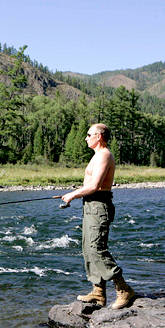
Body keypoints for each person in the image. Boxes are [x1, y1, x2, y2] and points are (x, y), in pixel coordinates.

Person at [61, 123, 134, 309]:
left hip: (99, 205)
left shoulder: (104, 155)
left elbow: (94, 186)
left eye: (89, 134)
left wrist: (72, 195)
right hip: (90, 205)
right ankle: (98, 292)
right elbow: (91, 186)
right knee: (87, 248)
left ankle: (124, 289)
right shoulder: (97, 156)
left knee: (96, 248)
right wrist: (76, 194)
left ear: (99, 136)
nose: (86, 137)